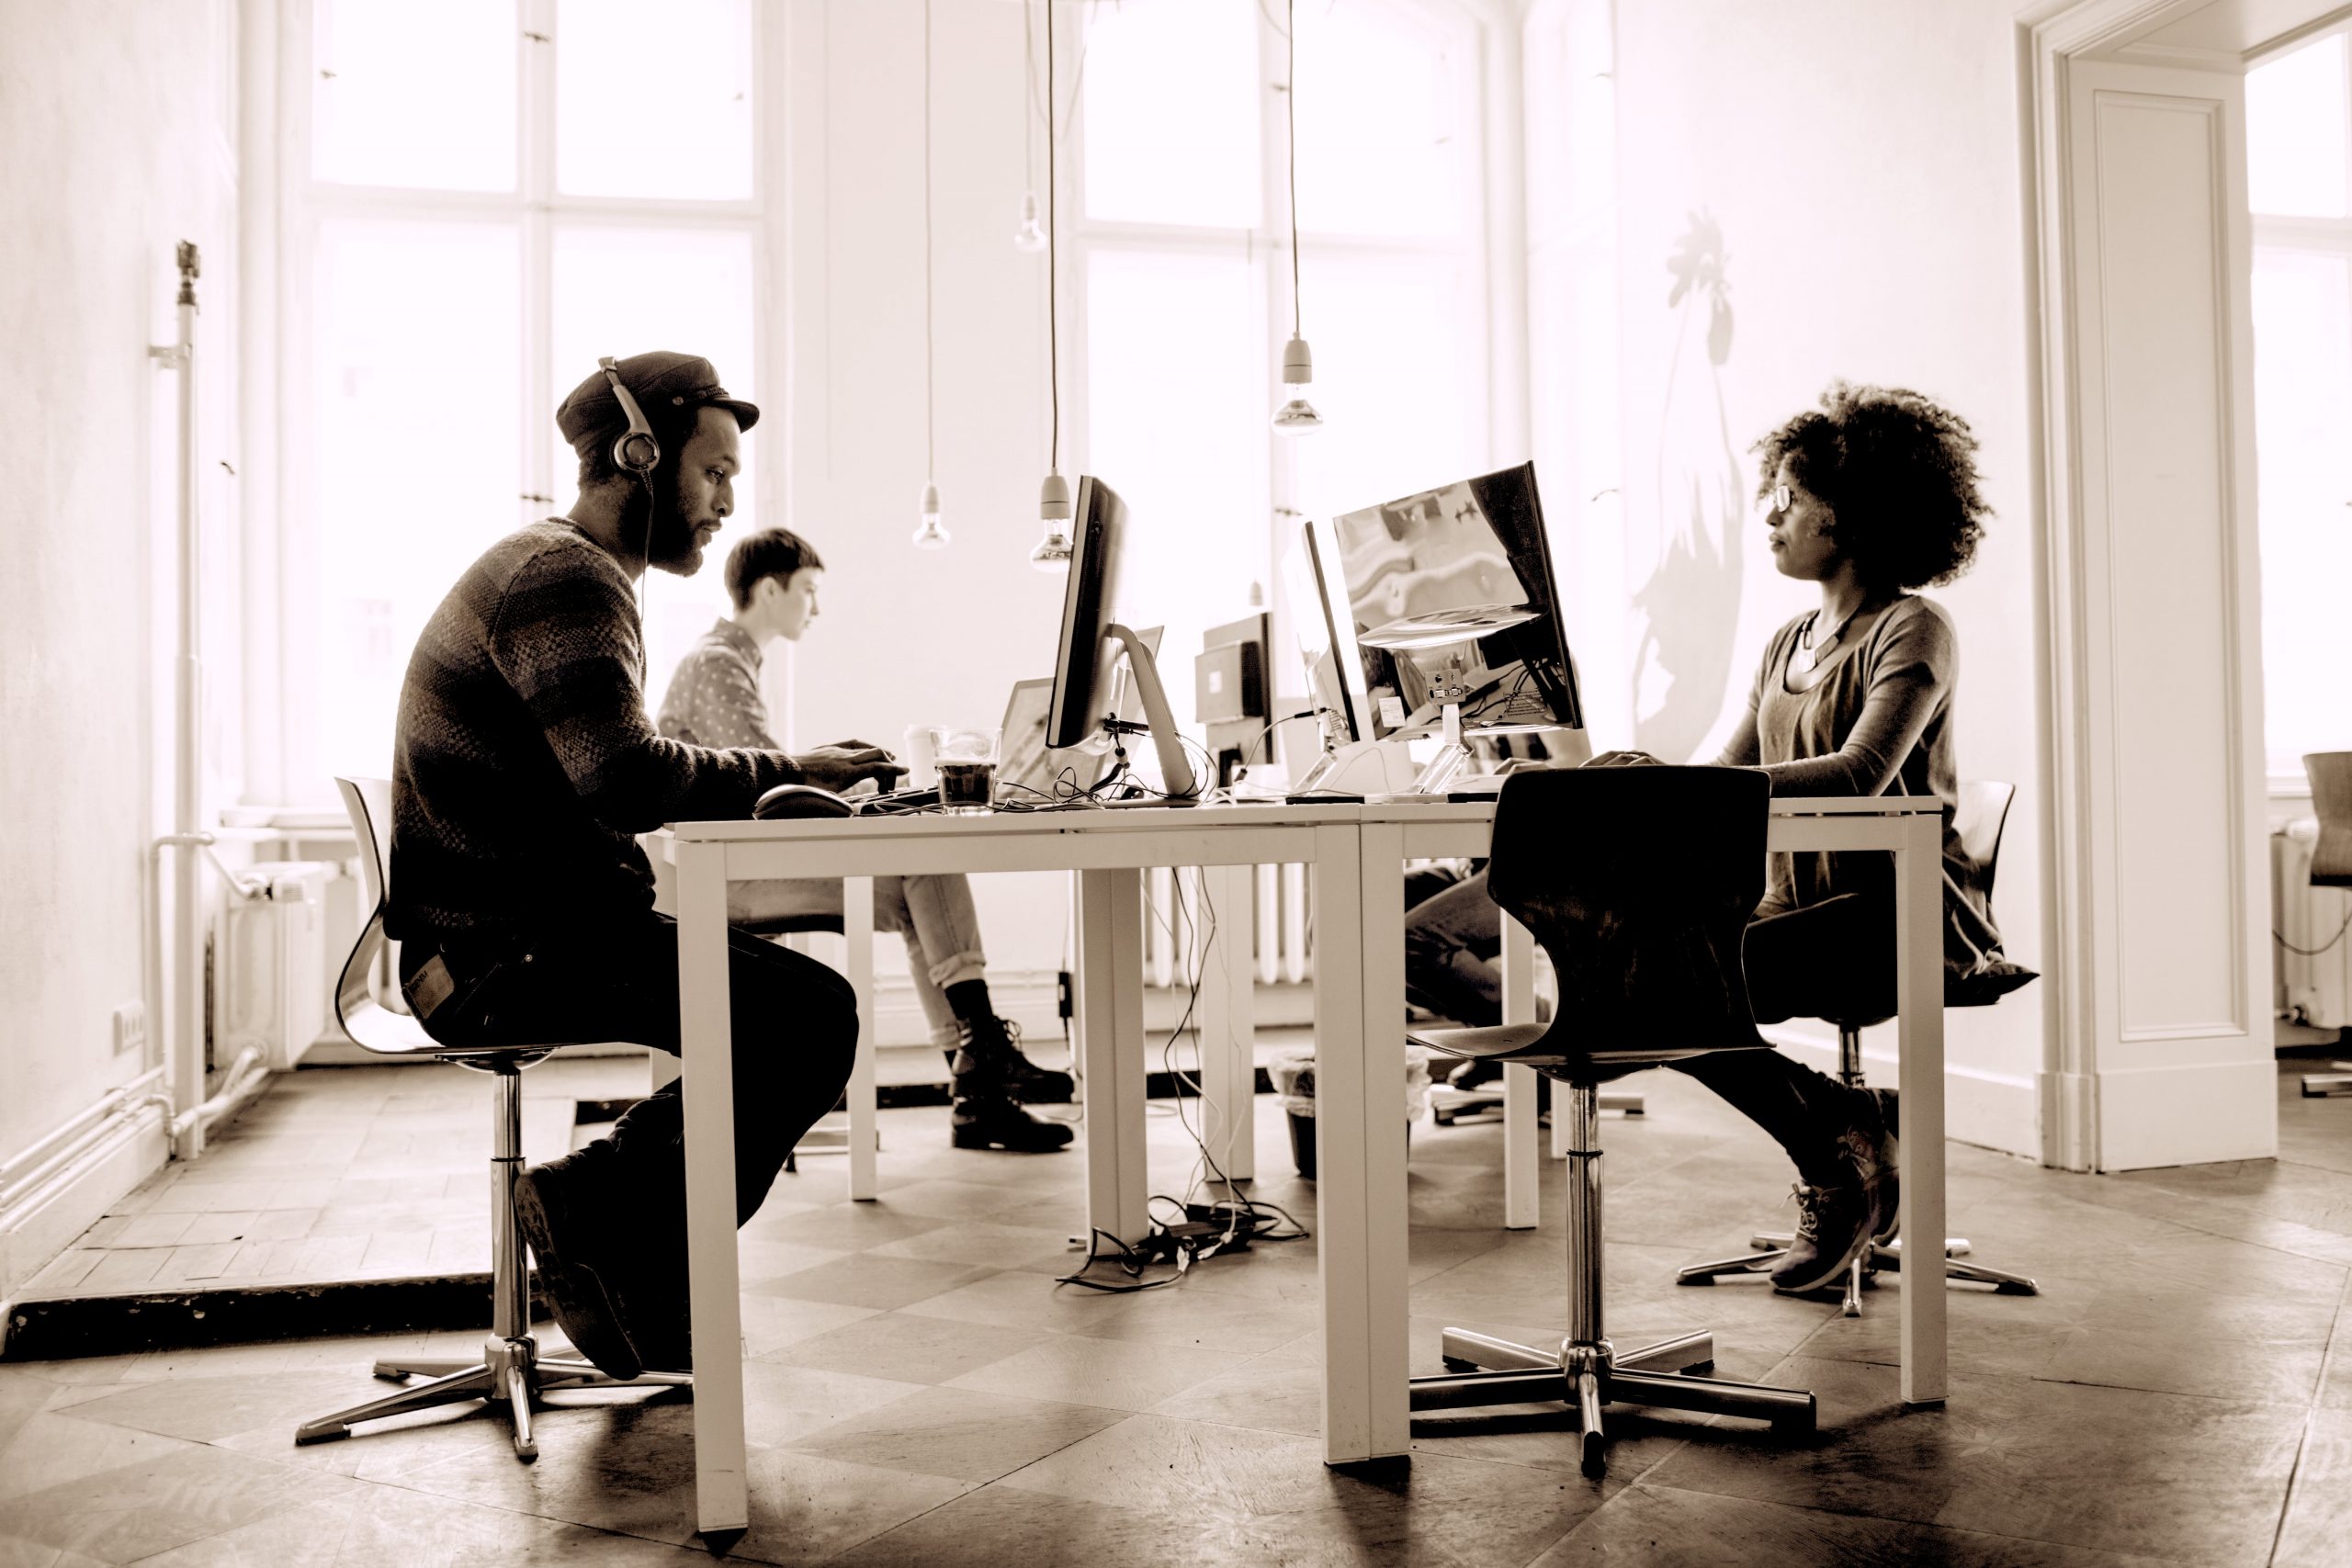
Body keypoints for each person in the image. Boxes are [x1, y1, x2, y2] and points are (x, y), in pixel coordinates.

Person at [1420, 380, 2029, 1295]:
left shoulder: (1914, 628)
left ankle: (1833, 1152)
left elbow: (1861, 771)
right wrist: (1630, 780)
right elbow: (1724, 778)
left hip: (1887, 919)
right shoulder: (1787, 641)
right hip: (1789, 903)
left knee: (1653, 988)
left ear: (1854, 508)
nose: (1770, 514)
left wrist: (1668, 785)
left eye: (1790, 494)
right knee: (1643, 976)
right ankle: (1839, 1130)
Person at [388, 351, 903, 1379]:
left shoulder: (558, 569)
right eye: (712, 473)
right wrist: (799, 767)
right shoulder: (567, 579)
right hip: (499, 952)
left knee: (783, 1014)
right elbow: (625, 781)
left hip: (501, 932)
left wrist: (790, 772)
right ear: (638, 456)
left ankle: (623, 1260)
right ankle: (590, 1214)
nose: (725, 503)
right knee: (807, 1018)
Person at [655, 525, 1076, 1154]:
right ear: (770, 589)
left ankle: (978, 1082)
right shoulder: (717, 663)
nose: (816, 607)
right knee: (920, 862)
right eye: (808, 590)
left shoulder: (728, 661)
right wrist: (858, 790)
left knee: (917, 877)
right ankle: (981, 1066)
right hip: (715, 875)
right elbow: (767, 788)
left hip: (729, 860)